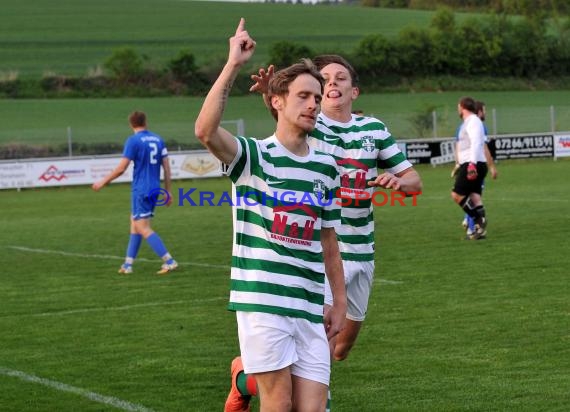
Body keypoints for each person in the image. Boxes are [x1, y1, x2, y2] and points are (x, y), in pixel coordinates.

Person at [225, 55, 422, 411]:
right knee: (319, 354)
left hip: (363, 250)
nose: (331, 85)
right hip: (326, 251)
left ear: (354, 90)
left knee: (342, 348)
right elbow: (285, 120)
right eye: (324, 79)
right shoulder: (315, 125)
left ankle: (245, 374)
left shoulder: (374, 130)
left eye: (340, 78)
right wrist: (270, 93)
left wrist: (397, 181)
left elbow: (414, 182)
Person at [194, 19, 347, 412]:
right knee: (278, 404)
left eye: (317, 96)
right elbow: (206, 131)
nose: (314, 103)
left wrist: (339, 301)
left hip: (310, 304)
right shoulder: (253, 157)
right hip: (263, 300)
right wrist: (233, 64)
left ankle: (242, 377)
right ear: (277, 101)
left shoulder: (327, 168)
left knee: (311, 408)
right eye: (303, 96)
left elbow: (328, 241)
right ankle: (245, 378)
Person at [92, 111, 178, 275]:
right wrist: (168, 191)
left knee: (143, 227)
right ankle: (128, 264)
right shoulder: (158, 140)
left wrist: (102, 182)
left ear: (131, 124)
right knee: (135, 223)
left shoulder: (133, 141)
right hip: (154, 188)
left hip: (141, 189)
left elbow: (121, 168)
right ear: (146, 122)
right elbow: (166, 167)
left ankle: (169, 261)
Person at [452, 100, 497, 237]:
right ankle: (479, 230)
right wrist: (458, 164)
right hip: (474, 163)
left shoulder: (473, 121)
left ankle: (478, 219)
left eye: (458, 107)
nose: (457, 109)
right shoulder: (469, 122)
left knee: (457, 194)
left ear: (463, 108)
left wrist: (471, 164)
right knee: (474, 196)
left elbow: (477, 143)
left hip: (472, 163)